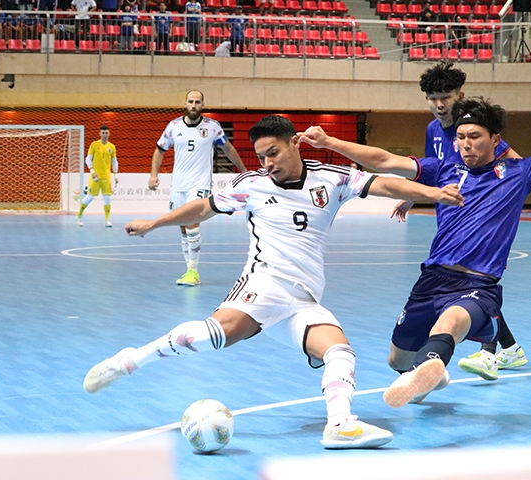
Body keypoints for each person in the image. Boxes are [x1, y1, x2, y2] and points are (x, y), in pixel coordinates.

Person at [83, 115, 463, 449]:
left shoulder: (333, 179)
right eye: (262, 156)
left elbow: (386, 184)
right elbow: (203, 207)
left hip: (304, 299)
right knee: (212, 336)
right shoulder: (252, 184)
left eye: (274, 153)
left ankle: (340, 426)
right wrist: (154, 223)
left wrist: (431, 193)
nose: (267, 163)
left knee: (339, 352)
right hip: (265, 284)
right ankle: (129, 361)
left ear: (295, 143)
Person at [298, 97, 531, 407]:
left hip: (479, 285)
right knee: (397, 359)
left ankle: (433, 364)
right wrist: (329, 140)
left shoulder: (519, 173)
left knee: (449, 324)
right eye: (461, 137)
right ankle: (429, 373)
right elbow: (384, 160)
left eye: (475, 137)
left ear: (495, 139)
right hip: (432, 281)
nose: (466, 144)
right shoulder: (443, 171)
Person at [391, 61, 531, 381]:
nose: (439, 104)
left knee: (477, 283)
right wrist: (416, 195)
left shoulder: (477, 128)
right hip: (450, 217)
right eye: (432, 97)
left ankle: (490, 354)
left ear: (460, 94)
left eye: (445, 96)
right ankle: (510, 348)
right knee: (465, 287)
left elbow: (518, 163)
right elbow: (433, 168)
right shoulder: (434, 130)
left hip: (484, 217)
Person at [149, 90, 247, 286]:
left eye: (198, 102)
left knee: (192, 223)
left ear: (203, 105)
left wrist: (243, 171)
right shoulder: (173, 126)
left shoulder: (212, 127)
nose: (194, 105)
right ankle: (189, 270)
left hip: (199, 184)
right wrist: (153, 174)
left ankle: (193, 272)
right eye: (190, 102)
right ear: (185, 104)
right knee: (183, 227)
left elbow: (228, 148)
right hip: (178, 185)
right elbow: (160, 150)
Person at [77, 126, 119, 227]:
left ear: (109, 134)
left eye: (106, 133)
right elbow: (88, 159)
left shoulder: (112, 147)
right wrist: (92, 171)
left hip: (106, 177)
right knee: (90, 197)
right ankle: (79, 216)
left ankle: (107, 220)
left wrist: (115, 174)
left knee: (107, 198)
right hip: (95, 176)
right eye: (103, 133)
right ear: (100, 134)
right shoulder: (94, 145)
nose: (105, 135)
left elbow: (114, 161)